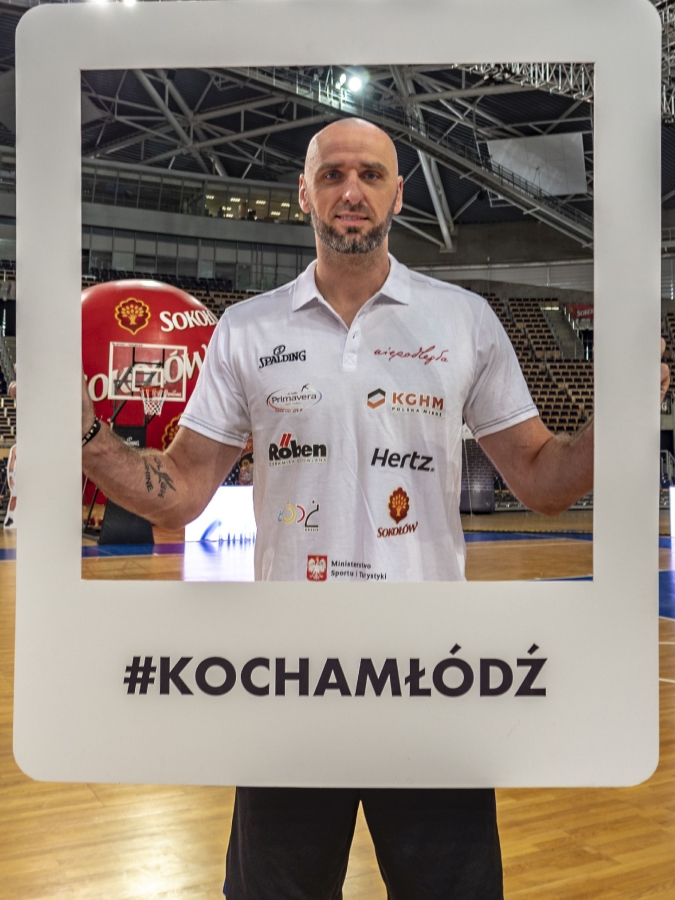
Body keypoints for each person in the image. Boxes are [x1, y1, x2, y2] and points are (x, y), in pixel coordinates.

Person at [82, 118, 670, 900]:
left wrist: (616, 418)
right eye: (331, 174)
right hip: (288, 676)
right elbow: (184, 489)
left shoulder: (463, 319)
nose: (350, 191)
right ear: (303, 194)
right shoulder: (246, 329)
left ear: (399, 193)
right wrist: (84, 438)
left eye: (369, 174)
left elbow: (540, 479)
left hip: (431, 672)